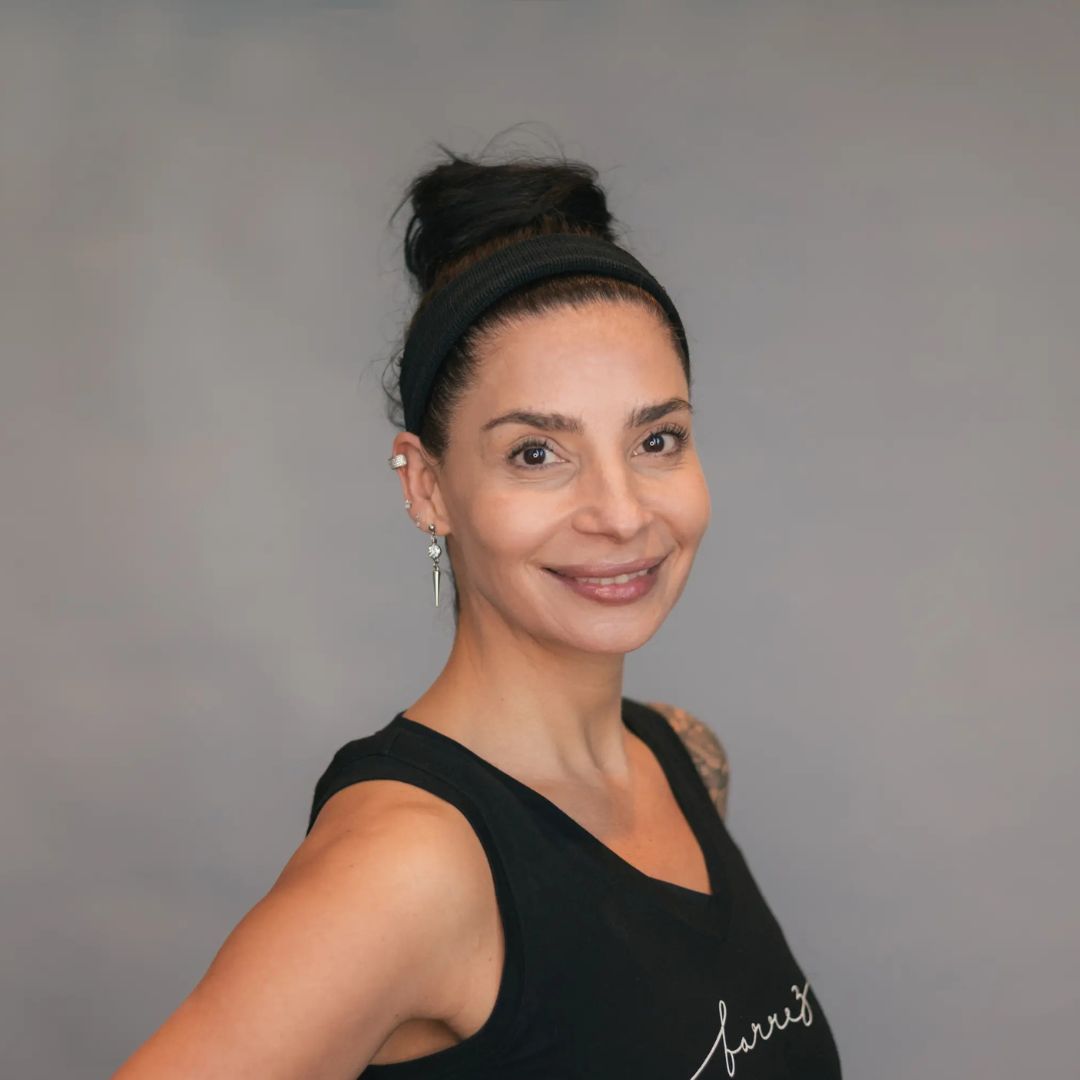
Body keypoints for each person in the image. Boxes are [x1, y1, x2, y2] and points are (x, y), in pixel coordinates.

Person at [115, 145, 842, 1078]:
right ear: (428, 486)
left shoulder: (684, 759)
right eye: (537, 453)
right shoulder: (410, 862)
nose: (622, 513)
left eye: (658, 439)